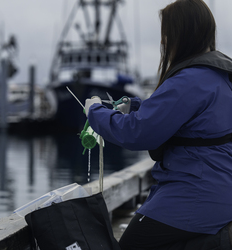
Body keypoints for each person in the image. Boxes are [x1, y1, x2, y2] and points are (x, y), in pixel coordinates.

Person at [85, 0, 232, 249]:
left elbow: (138, 133)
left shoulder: (189, 79)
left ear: (180, 34)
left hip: (196, 192)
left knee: (134, 244)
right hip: (221, 189)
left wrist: (95, 112)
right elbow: (195, 122)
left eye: (166, 33)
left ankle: (221, 242)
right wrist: (136, 107)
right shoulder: (220, 75)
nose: (163, 41)